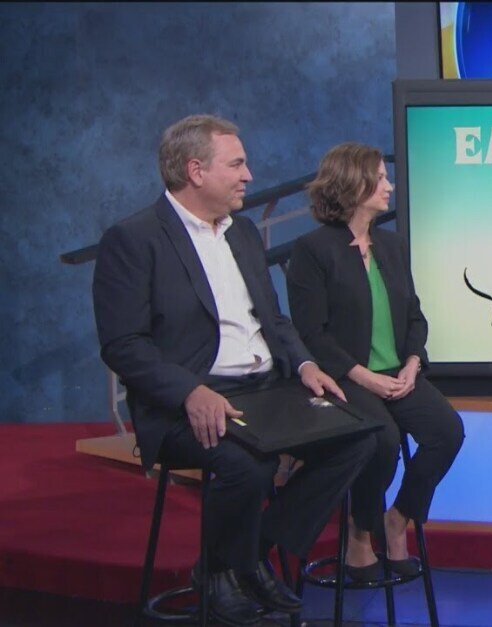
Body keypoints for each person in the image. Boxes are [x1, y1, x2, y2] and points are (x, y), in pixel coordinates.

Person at [92, 115, 377, 626]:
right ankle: (230, 571)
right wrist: (189, 391)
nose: (249, 175)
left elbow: (274, 319)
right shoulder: (134, 239)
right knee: (248, 465)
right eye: (237, 164)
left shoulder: (243, 233)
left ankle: (246, 558)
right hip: (188, 402)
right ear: (195, 170)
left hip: (267, 389)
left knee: (359, 437)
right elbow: (123, 345)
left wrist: (306, 363)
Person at [286, 142, 464, 581]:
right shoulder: (313, 250)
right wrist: (363, 376)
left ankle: (398, 519)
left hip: (397, 374)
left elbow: (414, 315)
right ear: (354, 182)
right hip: (346, 377)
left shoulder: (392, 245)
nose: (390, 186)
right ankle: (360, 531)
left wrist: (412, 363)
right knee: (381, 441)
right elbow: (312, 332)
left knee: (447, 431)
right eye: (381, 178)